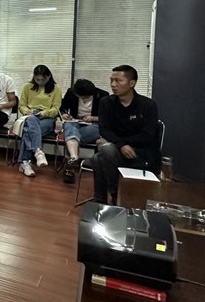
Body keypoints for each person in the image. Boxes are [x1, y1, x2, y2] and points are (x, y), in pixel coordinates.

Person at [89, 65, 159, 205]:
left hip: (140, 152)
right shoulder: (106, 102)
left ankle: (109, 197)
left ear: (131, 83)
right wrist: (121, 145)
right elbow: (104, 130)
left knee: (99, 157)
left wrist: (122, 143)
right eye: (111, 80)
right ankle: (111, 195)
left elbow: (148, 135)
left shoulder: (147, 105)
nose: (113, 85)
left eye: (118, 81)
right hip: (116, 149)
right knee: (105, 151)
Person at [59, 78, 108, 183]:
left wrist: (94, 118)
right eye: (80, 97)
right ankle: (74, 157)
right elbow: (62, 109)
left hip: (93, 125)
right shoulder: (71, 93)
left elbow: (108, 118)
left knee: (71, 137)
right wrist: (64, 115)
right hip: (75, 123)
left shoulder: (103, 96)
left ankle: (70, 167)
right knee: (69, 125)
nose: (83, 99)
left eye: (86, 97)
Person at [17, 65, 62, 177]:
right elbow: (22, 105)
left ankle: (25, 163)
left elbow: (56, 109)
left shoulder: (56, 88)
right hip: (30, 116)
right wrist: (26, 111)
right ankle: (38, 151)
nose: (40, 82)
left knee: (28, 131)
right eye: (37, 79)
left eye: (43, 79)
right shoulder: (27, 87)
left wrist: (45, 113)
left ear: (49, 76)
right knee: (31, 121)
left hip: (47, 118)